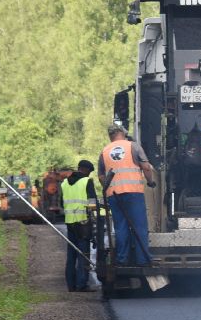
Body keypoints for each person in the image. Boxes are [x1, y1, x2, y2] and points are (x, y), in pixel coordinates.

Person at [98, 122, 156, 266]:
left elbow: (101, 176)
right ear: (123, 133)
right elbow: (146, 167)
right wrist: (150, 182)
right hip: (133, 192)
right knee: (139, 226)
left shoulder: (104, 151)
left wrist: (108, 187)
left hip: (114, 195)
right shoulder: (133, 146)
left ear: (110, 136)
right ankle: (142, 260)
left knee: (120, 227)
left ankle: (122, 259)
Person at [60, 159, 99, 292]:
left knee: (71, 255)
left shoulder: (65, 182)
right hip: (83, 222)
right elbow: (92, 203)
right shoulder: (86, 181)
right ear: (86, 170)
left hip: (70, 222)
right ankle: (82, 284)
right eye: (89, 172)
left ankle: (71, 285)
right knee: (84, 253)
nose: (89, 175)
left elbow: (62, 203)